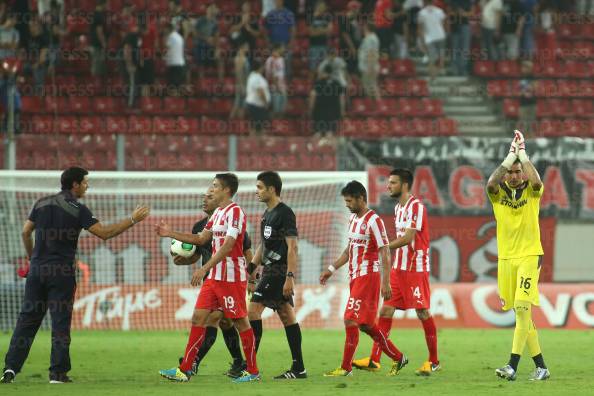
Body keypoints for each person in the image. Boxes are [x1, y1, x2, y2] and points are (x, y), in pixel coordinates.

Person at [0, 167, 150, 384]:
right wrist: (133, 219)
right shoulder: (78, 209)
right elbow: (105, 234)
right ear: (75, 184)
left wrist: (33, 259)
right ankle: (57, 374)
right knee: (60, 322)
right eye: (85, 182)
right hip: (61, 273)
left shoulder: (41, 203)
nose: (87, 186)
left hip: (37, 272)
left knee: (27, 321)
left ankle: (10, 369)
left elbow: (25, 231)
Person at [155, 173, 260, 383]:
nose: (210, 190)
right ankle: (184, 370)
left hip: (231, 277)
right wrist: (170, 233)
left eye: (214, 186)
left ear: (226, 190)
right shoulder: (217, 214)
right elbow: (201, 238)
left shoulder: (235, 212)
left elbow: (230, 245)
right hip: (214, 278)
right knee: (198, 318)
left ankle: (253, 371)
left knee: (240, 322)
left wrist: (204, 269)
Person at [352, 168, 440, 376]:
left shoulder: (415, 207)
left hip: (415, 269)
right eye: (388, 182)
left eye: (392, 183)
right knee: (385, 311)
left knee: (422, 312)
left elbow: (409, 239)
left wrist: (383, 247)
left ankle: (434, 361)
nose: (388, 186)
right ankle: (375, 360)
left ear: (405, 185)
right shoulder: (398, 208)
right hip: (398, 269)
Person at [320, 181, 408, 377]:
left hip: (368, 277)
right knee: (366, 325)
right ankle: (398, 357)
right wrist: (331, 268)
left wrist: (386, 282)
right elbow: (349, 250)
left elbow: (384, 251)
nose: (347, 205)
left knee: (350, 319)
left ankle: (345, 367)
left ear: (361, 198)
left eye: (350, 201)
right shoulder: (353, 220)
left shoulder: (373, 220)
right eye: (345, 201)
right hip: (355, 277)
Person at [486, 130, 550, 381]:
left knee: (523, 308)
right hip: (506, 260)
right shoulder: (498, 195)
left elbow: (536, 182)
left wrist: (522, 154)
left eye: (517, 171)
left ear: (522, 171)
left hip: (530, 256)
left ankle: (512, 365)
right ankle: (541, 367)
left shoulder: (533, 193)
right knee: (522, 315)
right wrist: (508, 157)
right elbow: (491, 184)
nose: (513, 176)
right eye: (510, 172)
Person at [173, 191, 253, 379]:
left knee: (214, 319)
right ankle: (239, 362)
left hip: (230, 279)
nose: (204, 200)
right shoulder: (200, 226)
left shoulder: (233, 220)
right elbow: (197, 254)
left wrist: (252, 279)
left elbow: (247, 252)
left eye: (209, 197)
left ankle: (194, 362)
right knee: (224, 322)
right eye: (204, 197)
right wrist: (182, 261)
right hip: (212, 278)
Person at [247, 171, 307, 379]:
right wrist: (250, 268)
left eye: (260, 188)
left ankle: (250, 367)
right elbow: (263, 247)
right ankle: (299, 368)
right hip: (270, 270)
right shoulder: (266, 214)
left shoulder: (285, 213)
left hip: (279, 271)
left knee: (253, 312)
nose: (257, 192)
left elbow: (293, 247)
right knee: (286, 315)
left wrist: (289, 277)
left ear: (272, 189)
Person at [309, 64, 345, 139]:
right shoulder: (337, 83)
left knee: (317, 133)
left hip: (319, 111)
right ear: (332, 73)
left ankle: (315, 150)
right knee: (330, 133)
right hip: (333, 111)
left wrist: (311, 108)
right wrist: (342, 110)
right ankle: (329, 150)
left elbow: (312, 95)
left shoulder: (318, 82)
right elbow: (342, 98)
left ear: (324, 72)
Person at [417, 0, 446, 81]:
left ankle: (433, 78)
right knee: (440, 59)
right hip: (440, 36)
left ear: (424, 2)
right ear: (433, 2)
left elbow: (420, 29)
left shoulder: (422, 13)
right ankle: (436, 74)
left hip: (430, 39)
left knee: (432, 60)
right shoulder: (440, 11)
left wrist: (422, 42)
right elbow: (443, 24)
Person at [245, 60, 271, 135]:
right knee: (259, 128)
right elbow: (260, 92)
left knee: (255, 127)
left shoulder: (252, 76)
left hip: (254, 105)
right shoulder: (256, 78)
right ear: (260, 68)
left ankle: (253, 144)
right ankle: (256, 144)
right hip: (257, 106)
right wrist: (266, 103)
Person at [358, 23, 381, 100]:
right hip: (368, 66)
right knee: (370, 87)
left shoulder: (370, 38)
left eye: (364, 27)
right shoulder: (371, 38)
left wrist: (370, 67)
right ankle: (374, 107)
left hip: (369, 67)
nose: (362, 29)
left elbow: (371, 53)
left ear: (367, 28)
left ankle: (378, 107)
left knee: (372, 87)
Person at [265, 44, 288, 117]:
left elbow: (282, 74)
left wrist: (284, 85)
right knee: (276, 109)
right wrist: (277, 87)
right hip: (274, 87)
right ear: (276, 50)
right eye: (282, 48)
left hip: (282, 86)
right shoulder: (270, 60)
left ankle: (280, 125)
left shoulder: (281, 59)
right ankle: (273, 125)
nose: (283, 50)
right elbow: (271, 75)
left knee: (283, 108)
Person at [163, 22, 185, 95]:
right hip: (180, 64)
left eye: (165, 30)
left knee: (172, 88)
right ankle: (177, 104)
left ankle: (173, 104)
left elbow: (166, 47)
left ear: (168, 29)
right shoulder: (179, 37)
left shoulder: (171, 37)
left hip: (174, 65)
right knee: (177, 87)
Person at [230, 42, 250, 119]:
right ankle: (229, 126)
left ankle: (239, 128)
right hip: (241, 85)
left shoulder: (243, 57)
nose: (248, 48)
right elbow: (238, 73)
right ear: (242, 47)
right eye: (246, 47)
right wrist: (242, 86)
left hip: (244, 85)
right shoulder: (240, 58)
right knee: (237, 105)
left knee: (242, 107)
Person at [89, 0, 108, 77]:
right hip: (97, 44)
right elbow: (99, 31)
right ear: (103, 4)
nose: (107, 6)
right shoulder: (99, 15)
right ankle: (95, 84)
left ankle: (96, 84)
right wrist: (103, 43)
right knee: (97, 65)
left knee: (97, 64)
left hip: (94, 43)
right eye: (106, 4)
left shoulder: (94, 14)